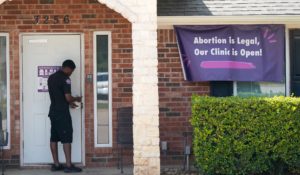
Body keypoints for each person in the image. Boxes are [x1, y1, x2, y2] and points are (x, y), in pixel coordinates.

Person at [47, 59, 82, 173]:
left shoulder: (51, 77)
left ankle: (56, 165)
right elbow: (67, 97)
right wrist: (76, 99)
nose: (71, 73)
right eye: (71, 71)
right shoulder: (65, 79)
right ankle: (68, 165)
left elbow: (58, 96)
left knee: (54, 138)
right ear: (67, 68)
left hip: (53, 112)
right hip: (62, 114)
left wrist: (69, 103)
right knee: (66, 139)